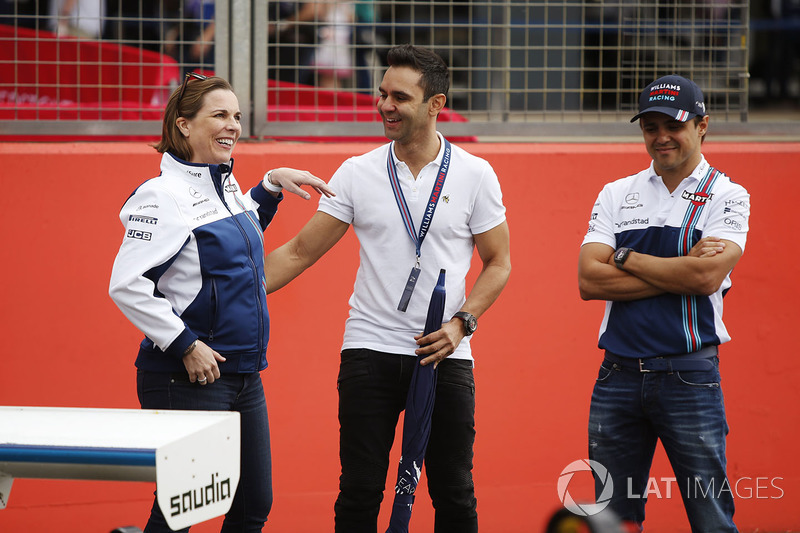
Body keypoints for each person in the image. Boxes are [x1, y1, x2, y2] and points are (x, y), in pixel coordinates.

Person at [264, 44, 511, 532]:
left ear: (435, 105)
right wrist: (228, 295)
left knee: (455, 493)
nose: (384, 106)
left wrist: (462, 324)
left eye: (399, 97)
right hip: (369, 348)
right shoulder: (358, 172)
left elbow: (499, 262)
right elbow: (297, 253)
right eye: (381, 94)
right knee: (359, 492)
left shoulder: (474, 173)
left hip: (445, 352)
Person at [108, 73, 333, 532]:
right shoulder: (160, 195)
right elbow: (127, 283)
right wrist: (185, 344)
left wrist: (270, 184)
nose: (232, 125)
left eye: (236, 116)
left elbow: (236, 238)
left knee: (252, 506)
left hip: (244, 374)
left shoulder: (224, 183)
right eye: (219, 115)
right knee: (181, 513)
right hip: (187, 376)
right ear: (184, 124)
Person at [577, 75, 750, 532]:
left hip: (689, 374)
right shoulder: (617, 192)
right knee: (612, 520)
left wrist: (625, 257)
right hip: (617, 375)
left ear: (702, 125)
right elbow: (589, 280)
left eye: (672, 125)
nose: (661, 137)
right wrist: (677, 272)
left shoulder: (728, 195)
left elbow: (706, 275)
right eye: (650, 127)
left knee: (711, 519)